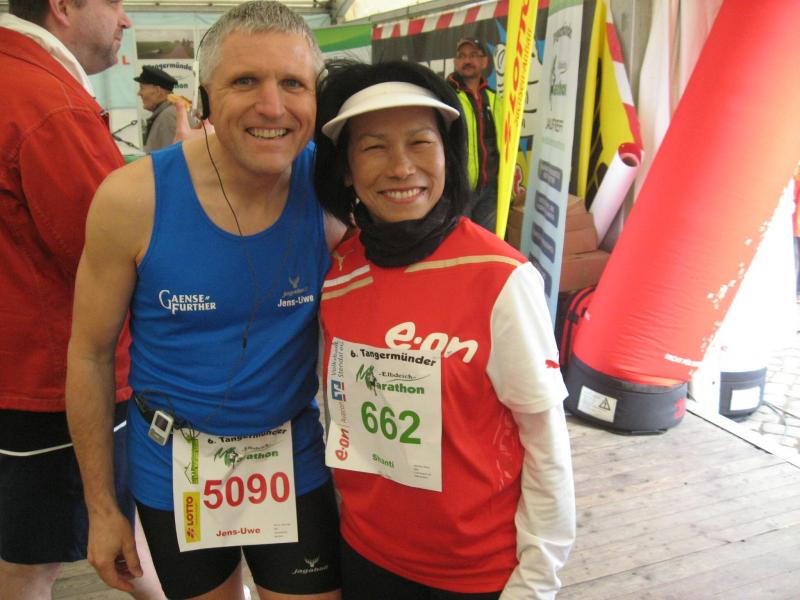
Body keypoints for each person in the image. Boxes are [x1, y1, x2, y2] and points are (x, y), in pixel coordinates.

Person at [65, 2, 345, 599]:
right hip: (173, 467)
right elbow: (89, 355)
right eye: (245, 81)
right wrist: (102, 508)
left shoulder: (333, 192)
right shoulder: (132, 200)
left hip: (291, 457)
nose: (273, 106)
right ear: (205, 97)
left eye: (293, 83)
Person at [314, 59, 576, 599]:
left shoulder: (500, 278)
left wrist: (535, 582)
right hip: (365, 556)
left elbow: (545, 441)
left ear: (448, 156)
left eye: (420, 143)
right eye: (374, 147)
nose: (401, 167)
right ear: (346, 171)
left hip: (476, 575)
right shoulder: (338, 274)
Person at [0, 2, 163, 599]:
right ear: (64, 6)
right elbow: (107, 248)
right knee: (37, 560)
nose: (125, 20)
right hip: (52, 377)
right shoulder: (46, 102)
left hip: (23, 362)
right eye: (113, 2)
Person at [447, 38, 502, 233]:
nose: (467, 61)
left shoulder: (494, 98)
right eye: (462, 56)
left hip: (490, 189)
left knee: (487, 242)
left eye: (473, 55)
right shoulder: (446, 96)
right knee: (459, 241)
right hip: (459, 189)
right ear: (456, 62)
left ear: (484, 62)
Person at [134, 65, 179, 153]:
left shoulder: (168, 117)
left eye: (142, 88)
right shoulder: (167, 114)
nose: (139, 93)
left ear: (158, 91)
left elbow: (172, 157)